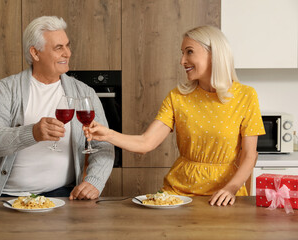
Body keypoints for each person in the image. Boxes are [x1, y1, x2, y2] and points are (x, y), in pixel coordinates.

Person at [84, 25, 265, 206]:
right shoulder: (178, 97)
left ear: (213, 54)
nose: (182, 61)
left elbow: (249, 155)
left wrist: (231, 188)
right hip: (180, 195)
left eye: (189, 52)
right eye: (182, 53)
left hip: (225, 195)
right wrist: (107, 134)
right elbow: (146, 142)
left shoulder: (246, 96)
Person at [0, 16, 114, 200]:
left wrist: (95, 181)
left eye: (67, 46)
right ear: (35, 53)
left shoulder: (84, 93)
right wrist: (32, 133)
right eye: (59, 48)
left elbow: (103, 144)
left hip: (62, 195)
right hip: (6, 195)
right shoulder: (5, 90)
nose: (68, 53)